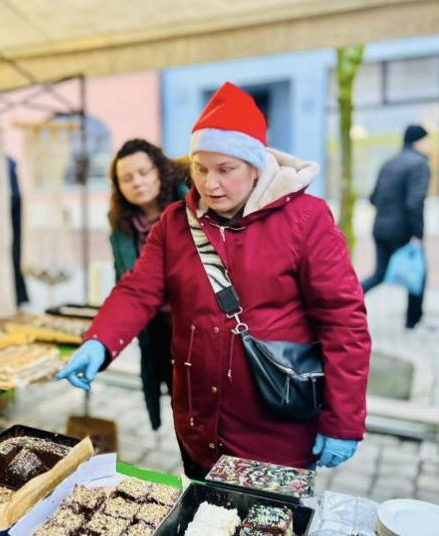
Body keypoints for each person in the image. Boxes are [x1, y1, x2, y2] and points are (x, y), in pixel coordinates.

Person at [58, 82, 371, 478]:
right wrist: (100, 340)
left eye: (226, 170)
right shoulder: (175, 223)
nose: (210, 184)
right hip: (199, 426)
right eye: (200, 169)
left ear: (257, 167)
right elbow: (138, 290)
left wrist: (343, 420)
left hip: (276, 429)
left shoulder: (306, 219)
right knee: (206, 531)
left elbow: (344, 322)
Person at [108, 139, 188, 430]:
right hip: (156, 329)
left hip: (196, 326)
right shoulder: (120, 226)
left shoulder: (190, 206)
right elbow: (124, 282)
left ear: (159, 170)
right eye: (127, 178)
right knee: (177, 403)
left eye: (144, 172)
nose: (137, 182)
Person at [361, 124, 431, 329]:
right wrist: (418, 234)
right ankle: (413, 321)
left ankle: (343, 301)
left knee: (379, 274)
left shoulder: (388, 163)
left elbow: (373, 197)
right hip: (403, 230)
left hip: (380, 228)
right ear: (419, 141)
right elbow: (415, 201)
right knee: (419, 272)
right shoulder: (419, 164)